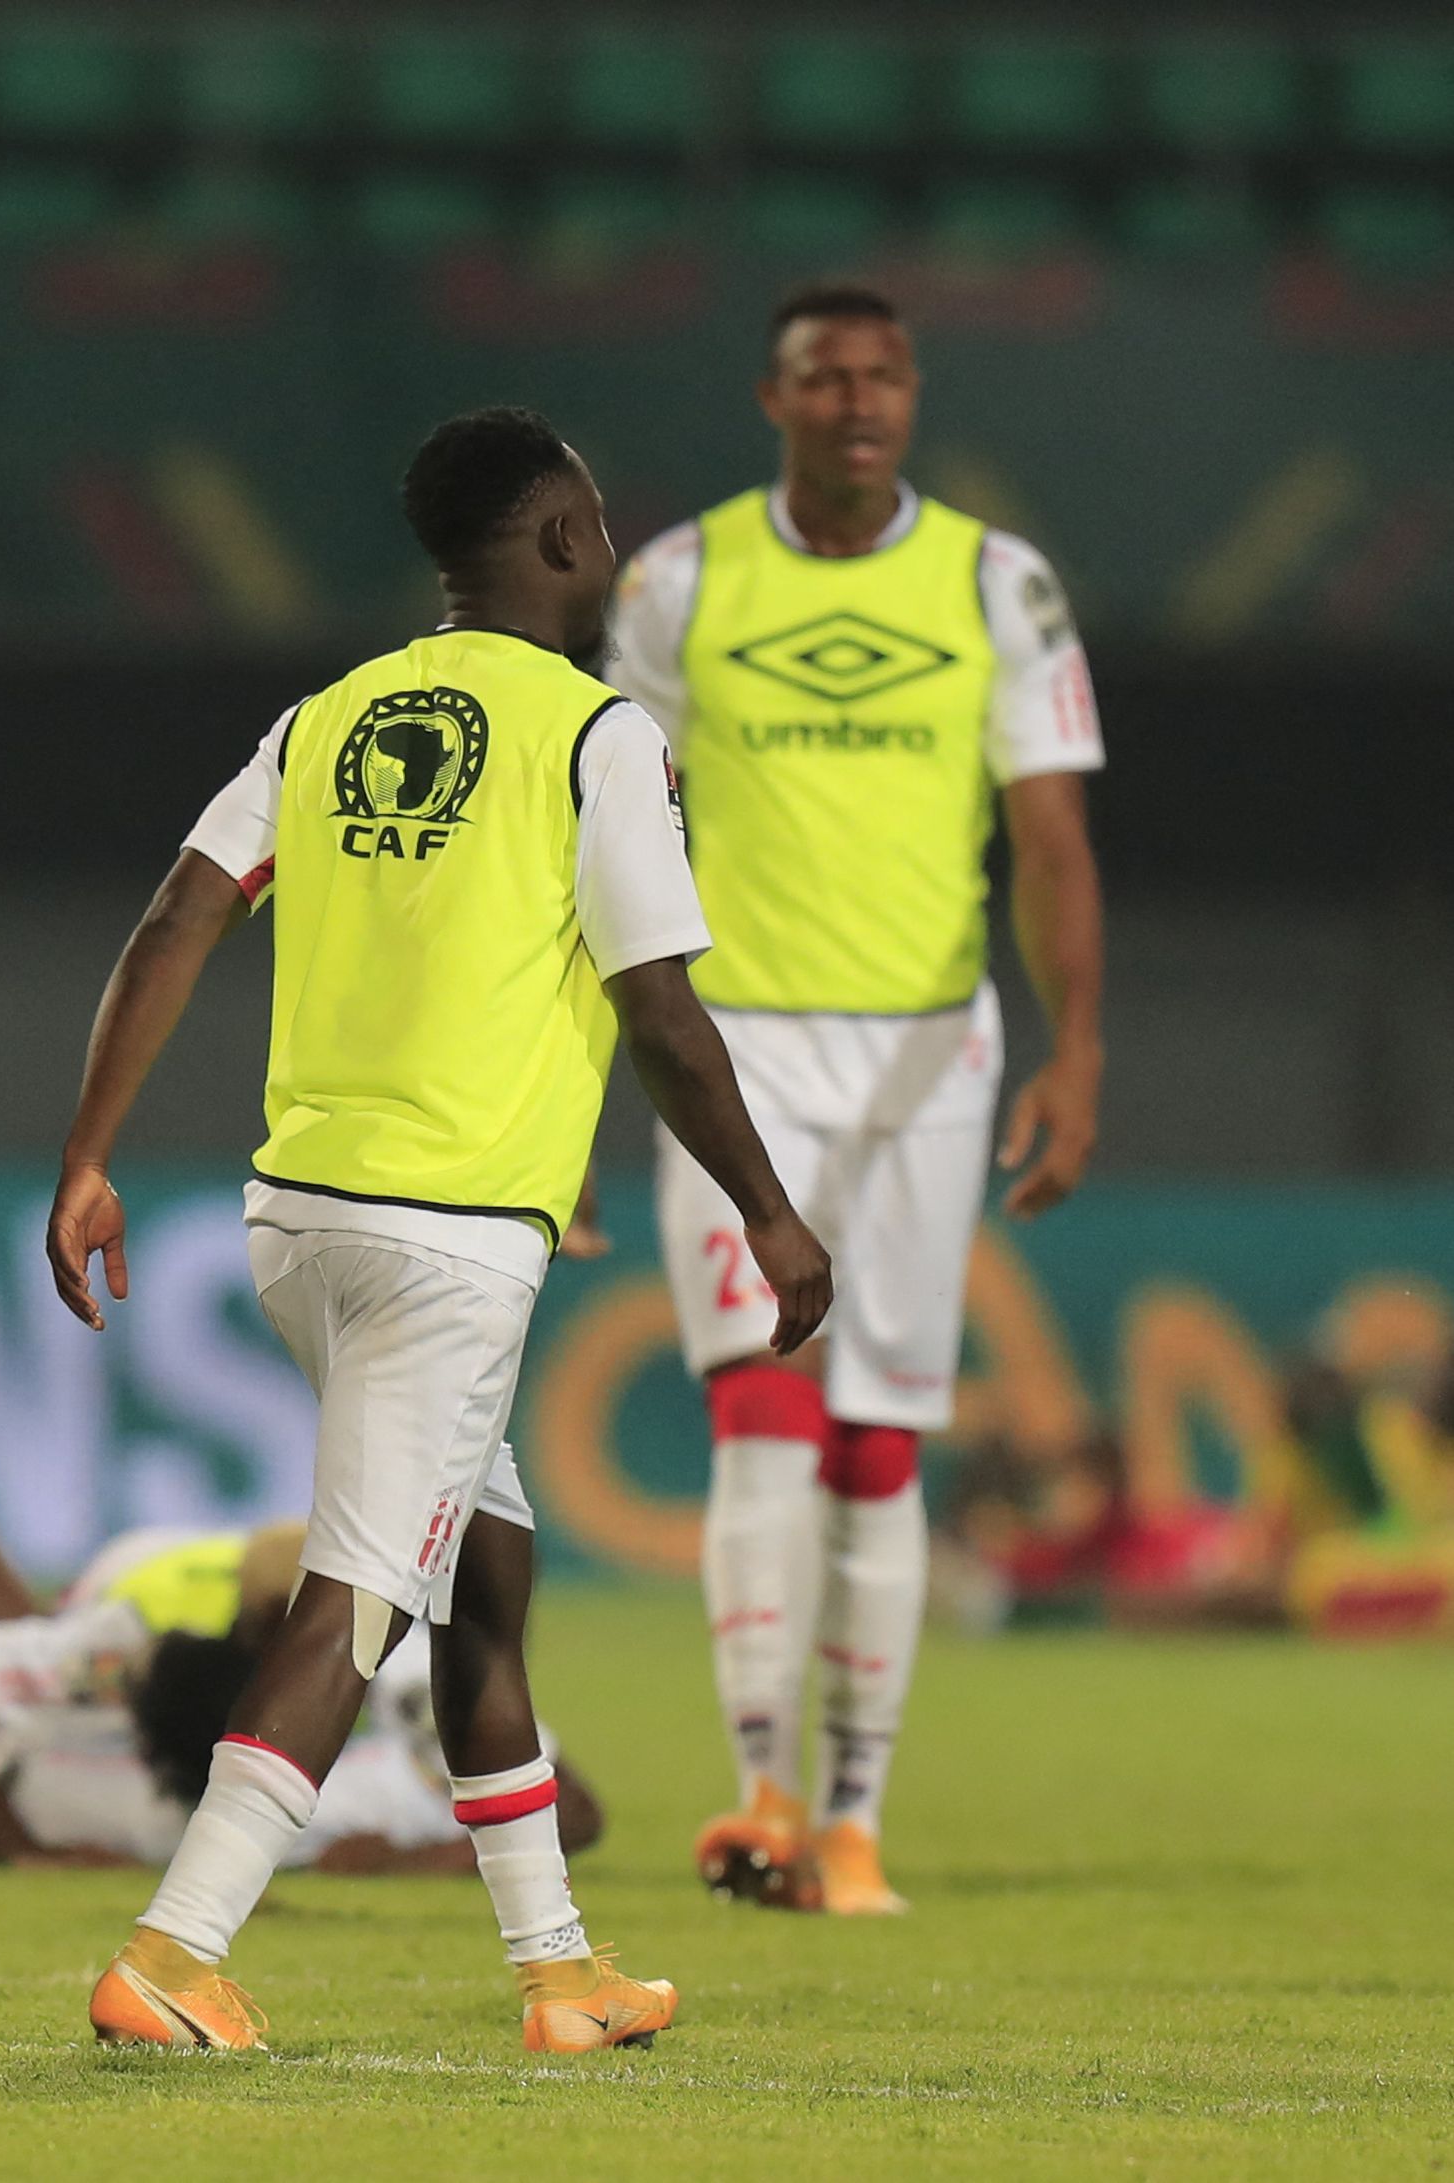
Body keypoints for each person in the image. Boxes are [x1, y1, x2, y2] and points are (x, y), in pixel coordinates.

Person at [42, 406, 830, 2055]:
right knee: (357, 1605)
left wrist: (90, 1152)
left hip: (297, 1218)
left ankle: (557, 1973)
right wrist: (769, 1210)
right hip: (446, 1240)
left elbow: (179, 910)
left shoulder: (323, 717)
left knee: (485, 1578)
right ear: (553, 539)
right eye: (594, 522)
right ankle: (173, 1954)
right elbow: (663, 1010)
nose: (604, 550)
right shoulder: (595, 734)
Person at [605, 281, 1108, 1919]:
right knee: (762, 1412)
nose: (855, 401)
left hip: (923, 1056)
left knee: (881, 1437)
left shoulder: (997, 580)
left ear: (910, 394)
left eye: (881, 375)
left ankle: (851, 1819)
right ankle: (757, 1788)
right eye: (824, 377)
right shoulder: (679, 581)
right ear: (774, 399)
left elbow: (1045, 840)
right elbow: (619, 826)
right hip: (732, 1048)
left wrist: (1076, 1046)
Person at [0, 1470, 604, 1875]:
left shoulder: (395, 1667)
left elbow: (575, 1808)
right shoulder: (139, 1653)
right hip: (100, 1624)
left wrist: (419, 1864)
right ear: (265, 1628)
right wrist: (22, 1851)